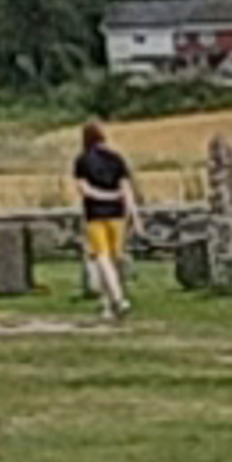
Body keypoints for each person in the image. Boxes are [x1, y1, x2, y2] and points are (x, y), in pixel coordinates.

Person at [69, 117, 137, 323]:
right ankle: (108, 305)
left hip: (96, 215)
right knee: (116, 259)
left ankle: (117, 299)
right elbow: (126, 188)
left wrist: (104, 196)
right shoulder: (117, 159)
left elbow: (84, 190)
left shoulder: (82, 160)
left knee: (103, 258)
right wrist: (133, 212)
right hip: (117, 214)